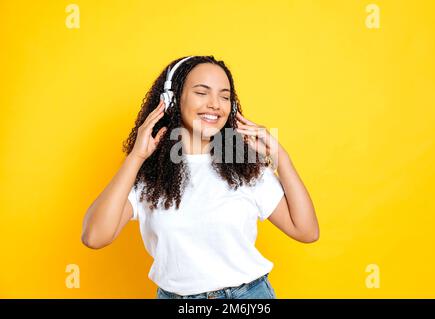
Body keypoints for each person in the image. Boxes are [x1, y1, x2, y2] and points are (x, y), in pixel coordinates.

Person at [81, 55, 320, 299]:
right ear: (172, 99)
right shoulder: (149, 176)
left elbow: (306, 231)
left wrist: (282, 158)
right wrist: (135, 158)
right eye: (202, 92)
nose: (215, 104)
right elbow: (94, 236)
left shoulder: (245, 167)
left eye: (225, 96)